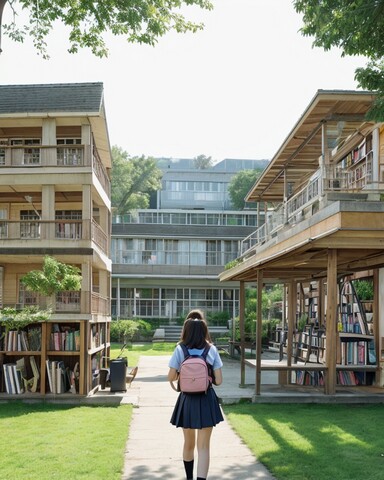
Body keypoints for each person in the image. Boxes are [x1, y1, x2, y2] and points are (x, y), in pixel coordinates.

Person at [168, 309, 224, 480]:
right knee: (204, 446)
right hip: (206, 400)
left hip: (187, 400)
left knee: (188, 443)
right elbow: (219, 380)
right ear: (204, 331)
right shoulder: (211, 349)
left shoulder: (180, 349)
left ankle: (189, 478)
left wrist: (182, 375)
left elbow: (170, 376)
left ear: (186, 331)